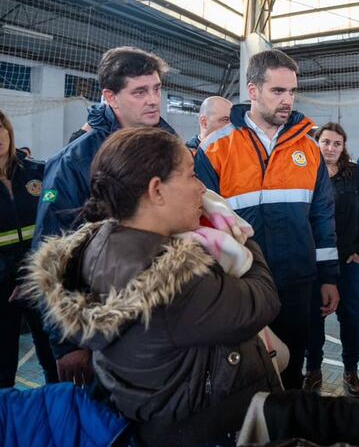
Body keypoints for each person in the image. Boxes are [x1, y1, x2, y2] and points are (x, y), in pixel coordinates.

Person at [24, 127, 282, 443]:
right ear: (156, 190)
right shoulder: (172, 281)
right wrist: (240, 235)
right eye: (190, 175)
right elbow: (262, 301)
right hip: (202, 430)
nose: (202, 188)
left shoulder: (99, 243)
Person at [195, 49, 339, 390]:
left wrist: (329, 276)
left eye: (292, 91)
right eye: (278, 91)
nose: (287, 100)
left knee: (290, 371)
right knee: (242, 371)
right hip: (239, 285)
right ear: (253, 91)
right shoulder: (215, 148)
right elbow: (202, 223)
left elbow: (322, 216)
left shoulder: (310, 149)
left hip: (296, 281)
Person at [33, 46, 175, 386]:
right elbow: (51, 254)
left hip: (163, 314)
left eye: (156, 89)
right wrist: (66, 342)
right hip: (103, 323)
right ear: (110, 97)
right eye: (139, 92)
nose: (153, 100)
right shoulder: (75, 162)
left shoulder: (171, 149)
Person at [305, 123, 359, 398]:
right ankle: (313, 369)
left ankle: (350, 371)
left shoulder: (357, 174)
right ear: (317, 143)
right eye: (326, 142)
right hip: (316, 261)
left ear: (343, 146)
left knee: (349, 315)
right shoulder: (306, 173)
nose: (331, 148)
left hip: (350, 260)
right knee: (315, 315)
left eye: (337, 143)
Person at [0, 109, 58, 388]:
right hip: (2, 290)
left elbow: (55, 219)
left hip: (42, 279)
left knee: (54, 360)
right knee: (3, 368)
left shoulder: (37, 171)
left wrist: (35, 274)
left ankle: (59, 420)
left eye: (2, 127)